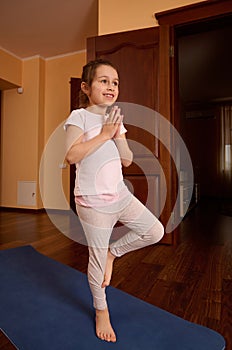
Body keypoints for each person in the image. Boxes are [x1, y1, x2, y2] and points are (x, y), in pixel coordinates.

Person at [64, 58, 164, 343]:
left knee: (154, 231)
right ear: (86, 87)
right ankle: (101, 310)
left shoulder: (115, 120)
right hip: (93, 202)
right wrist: (105, 134)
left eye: (115, 82)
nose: (111, 87)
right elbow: (71, 155)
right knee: (95, 263)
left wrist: (117, 133)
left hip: (119, 194)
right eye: (104, 81)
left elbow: (128, 159)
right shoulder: (78, 117)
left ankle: (113, 253)